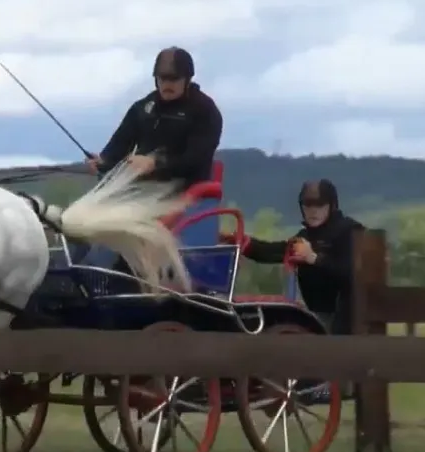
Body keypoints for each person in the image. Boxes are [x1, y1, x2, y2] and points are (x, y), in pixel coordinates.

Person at [224, 179, 365, 334]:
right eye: (308, 205)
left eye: (319, 205)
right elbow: (274, 251)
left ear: (331, 206)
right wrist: (243, 242)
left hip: (349, 318)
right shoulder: (305, 235)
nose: (313, 211)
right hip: (317, 315)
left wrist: (314, 258)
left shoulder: (350, 231)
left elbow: (353, 274)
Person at [86, 46, 223, 189]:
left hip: (189, 190)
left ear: (187, 79)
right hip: (140, 188)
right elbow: (118, 146)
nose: (167, 84)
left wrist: (155, 164)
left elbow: (195, 160)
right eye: (162, 78)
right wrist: (103, 162)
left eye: (174, 79)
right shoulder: (143, 108)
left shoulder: (205, 110)